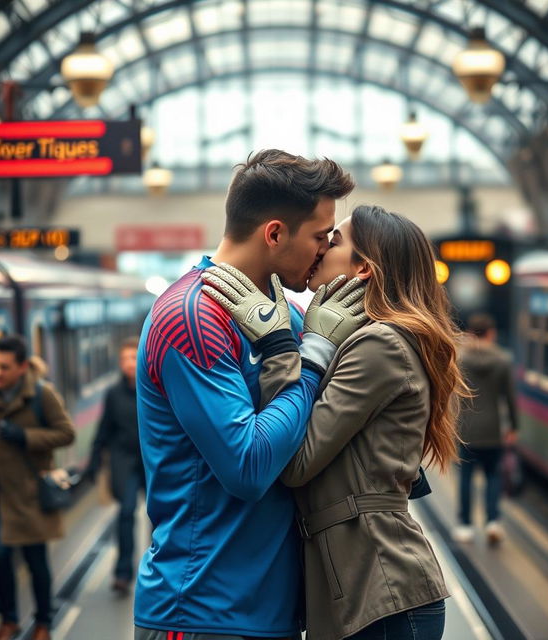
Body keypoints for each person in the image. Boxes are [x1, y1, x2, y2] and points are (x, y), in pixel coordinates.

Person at [205, 206, 470, 640]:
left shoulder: (378, 343)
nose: (323, 247)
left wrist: (280, 349)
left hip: (380, 590)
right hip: (366, 586)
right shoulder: (367, 338)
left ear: (364, 267)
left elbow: (293, 462)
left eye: (336, 241)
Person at [134, 149, 368, 640]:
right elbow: (248, 466)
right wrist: (313, 358)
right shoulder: (193, 316)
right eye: (320, 236)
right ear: (275, 233)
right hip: (201, 612)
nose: (325, 249)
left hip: (270, 612)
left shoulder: (285, 312)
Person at [0, 335, 76, 640]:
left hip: (30, 497)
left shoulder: (42, 395)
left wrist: (24, 436)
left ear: (22, 367)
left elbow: (66, 433)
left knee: (35, 560)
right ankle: (9, 619)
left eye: (4, 367)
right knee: (0, 559)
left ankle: (43, 621)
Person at [86, 336, 145, 595]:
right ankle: (123, 573)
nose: (128, 364)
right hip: (125, 461)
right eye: (124, 359)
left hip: (153, 461)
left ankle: (163, 569)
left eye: (133, 358)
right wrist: (94, 461)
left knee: (161, 515)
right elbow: (104, 429)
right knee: (125, 513)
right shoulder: (113, 394)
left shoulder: (155, 388)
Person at [452, 313, 518, 545]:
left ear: (470, 333)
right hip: (493, 428)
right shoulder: (502, 359)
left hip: (466, 428)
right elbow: (509, 398)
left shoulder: (459, 358)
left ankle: (465, 525)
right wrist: (513, 427)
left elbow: (452, 394)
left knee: (466, 479)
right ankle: (492, 522)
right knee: (492, 476)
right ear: (491, 333)